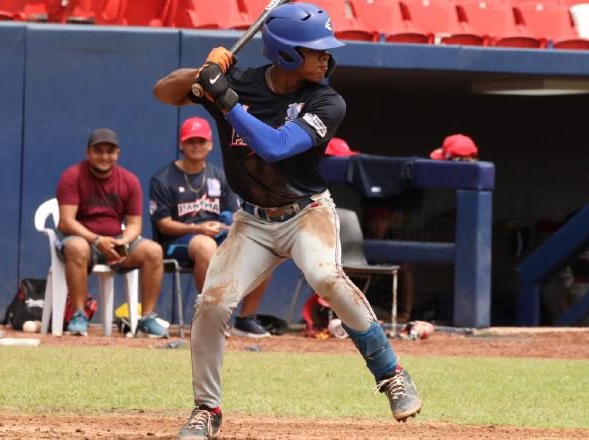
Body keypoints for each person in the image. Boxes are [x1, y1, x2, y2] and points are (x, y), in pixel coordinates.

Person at [153, 3, 422, 438]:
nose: (326, 57)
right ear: (286, 54)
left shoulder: (327, 100)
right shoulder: (239, 81)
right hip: (253, 221)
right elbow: (164, 92)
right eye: (315, 50)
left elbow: (276, 146)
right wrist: (203, 73)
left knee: (327, 278)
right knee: (212, 304)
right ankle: (207, 410)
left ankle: (392, 375)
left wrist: (225, 101)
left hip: (306, 212)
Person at [149, 116, 272, 338]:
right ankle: (209, 318)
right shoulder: (163, 178)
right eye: (191, 141)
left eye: (201, 141)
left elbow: (236, 215)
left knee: (265, 248)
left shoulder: (220, 176)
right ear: (181, 144)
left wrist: (224, 226)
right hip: (176, 242)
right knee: (205, 245)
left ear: (210, 144)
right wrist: (198, 229)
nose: (196, 146)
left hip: (216, 236)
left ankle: (245, 319)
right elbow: (163, 224)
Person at [55, 128, 168, 338]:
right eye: (98, 151)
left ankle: (147, 318)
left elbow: (135, 224)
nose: (104, 156)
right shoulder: (72, 176)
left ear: (118, 154)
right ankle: (79, 315)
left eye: (110, 151)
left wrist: (122, 242)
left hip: (115, 241)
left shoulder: (130, 180)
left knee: (153, 251)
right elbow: (66, 221)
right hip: (82, 241)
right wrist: (98, 241)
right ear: (87, 152)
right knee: (77, 247)